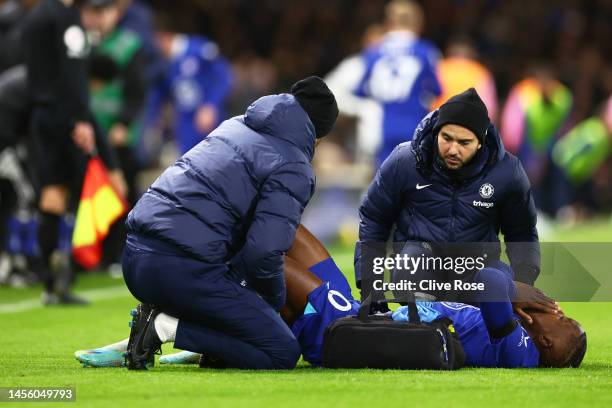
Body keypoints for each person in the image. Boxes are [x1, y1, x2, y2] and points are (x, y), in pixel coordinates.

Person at [76, 225, 586, 369]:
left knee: (274, 263)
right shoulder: (518, 328)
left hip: (353, 334)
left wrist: (527, 305)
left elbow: (494, 281)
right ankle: (214, 322)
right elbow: (484, 278)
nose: (564, 314)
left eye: (568, 325)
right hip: (371, 315)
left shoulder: (522, 353)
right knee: (293, 234)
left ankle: (180, 307)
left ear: (552, 345)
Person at [122, 76, 338, 370]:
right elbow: (263, 252)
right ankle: (164, 327)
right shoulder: (293, 163)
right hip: (180, 267)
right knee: (281, 350)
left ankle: (187, 332)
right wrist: (272, 308)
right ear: (318, 137)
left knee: (246, 311)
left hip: (135, 255)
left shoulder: (236, 125)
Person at [355, 88, 541, 313]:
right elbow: (374, 219)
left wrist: (524, 285)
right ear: (436, 132)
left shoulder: (507, 172)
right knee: (412, 261)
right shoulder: (404, 161)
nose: (453, 149)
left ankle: (499, 340)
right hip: (419, 267)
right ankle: (424, 331)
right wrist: (370, 287)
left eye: (464, 143)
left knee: (496, 280)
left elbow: (521, 232)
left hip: (477, 269)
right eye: (447, 138)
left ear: (480, 142)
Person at [22, 0, 123, 304]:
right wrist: (80, 118)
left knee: (51, 196)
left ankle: (50, 282)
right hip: (65, 117)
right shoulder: (66, 18)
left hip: (41, 114)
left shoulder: (37, 14)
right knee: (81, 191)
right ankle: (69, 271)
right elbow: (73, 72)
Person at [325, 0, 441, 166]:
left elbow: (361, 92)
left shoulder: (374, 52)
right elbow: (436, 90)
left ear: (388, 23)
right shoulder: (425, 51)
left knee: (382, 185)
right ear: (418, 24)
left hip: (380, 131)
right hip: (414, 128)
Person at [142, 31, 233, 155]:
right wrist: (154, 119)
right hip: (184, 121)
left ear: (164, 37)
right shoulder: (163, 64)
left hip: (208, 117)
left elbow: (223, 76)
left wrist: (211, 105)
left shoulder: (199, 48)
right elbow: (159, 92)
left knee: (217, 157)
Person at [430, 37, 498, 123]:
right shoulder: (481, 72)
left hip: (438, 120)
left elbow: (427, 97)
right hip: (468, 124)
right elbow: (489, 108)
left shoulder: (439, 67)